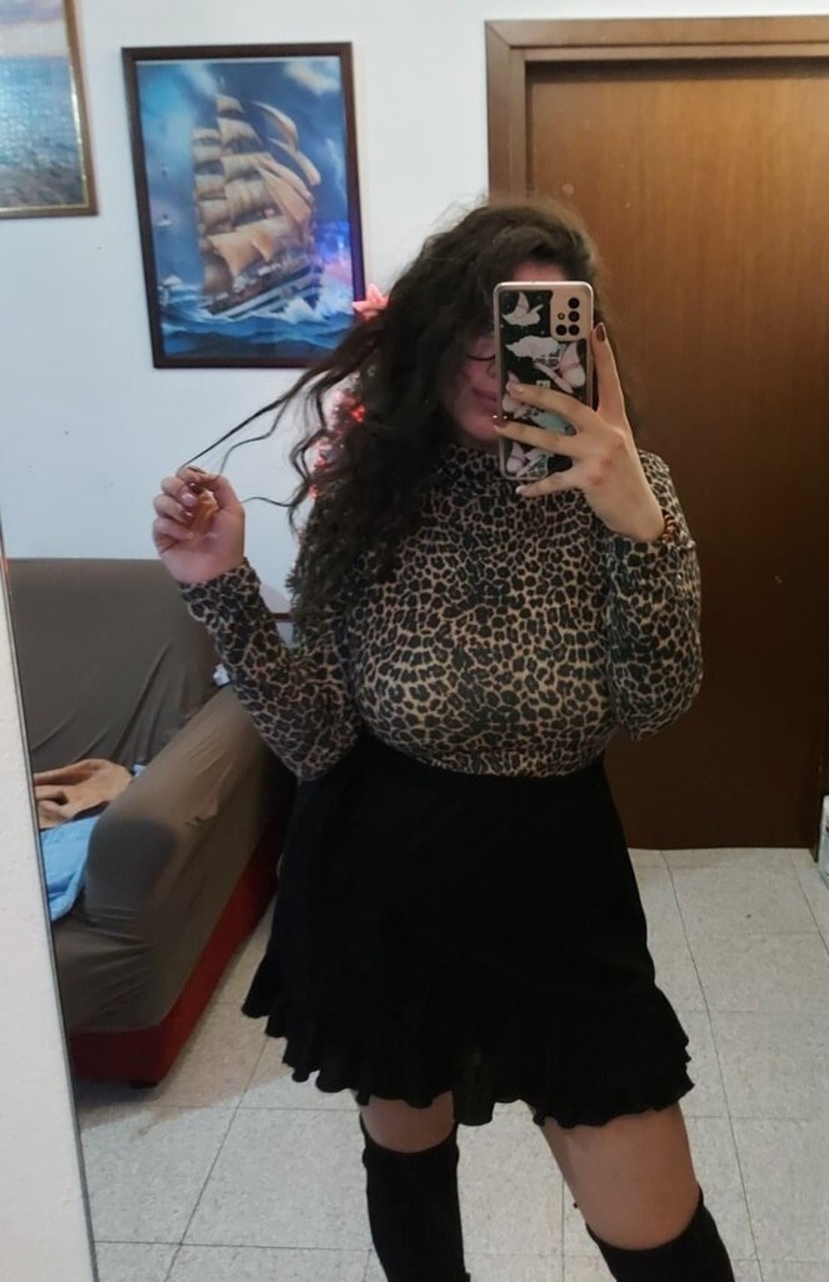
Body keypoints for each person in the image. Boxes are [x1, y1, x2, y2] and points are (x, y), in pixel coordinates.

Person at [152, 200, 732, 1282]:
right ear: (428, 334)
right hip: (384, 882)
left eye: (526, 326)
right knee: (409, 1172)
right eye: (473, 324)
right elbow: (319, 734)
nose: (493, 361)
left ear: (581, 344)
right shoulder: (366, 495)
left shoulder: (627, 488)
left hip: (558, 888)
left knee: (663, 1240)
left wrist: (638, 521)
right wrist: (219, 584)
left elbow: (657, 700)